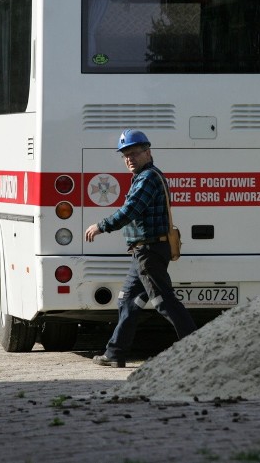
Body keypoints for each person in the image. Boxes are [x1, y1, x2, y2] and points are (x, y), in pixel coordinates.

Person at [84, 129, 196, 367]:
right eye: (125, 155)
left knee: (164, 302)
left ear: (148, 152)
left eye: (134, 153)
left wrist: (101, 226)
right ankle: (115, 353)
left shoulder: (147, 179)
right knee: (128, 301)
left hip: (150, 252)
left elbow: (131, 210)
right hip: (143, 252)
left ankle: (197, 348)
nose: (129, 159)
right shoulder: (146, 176)